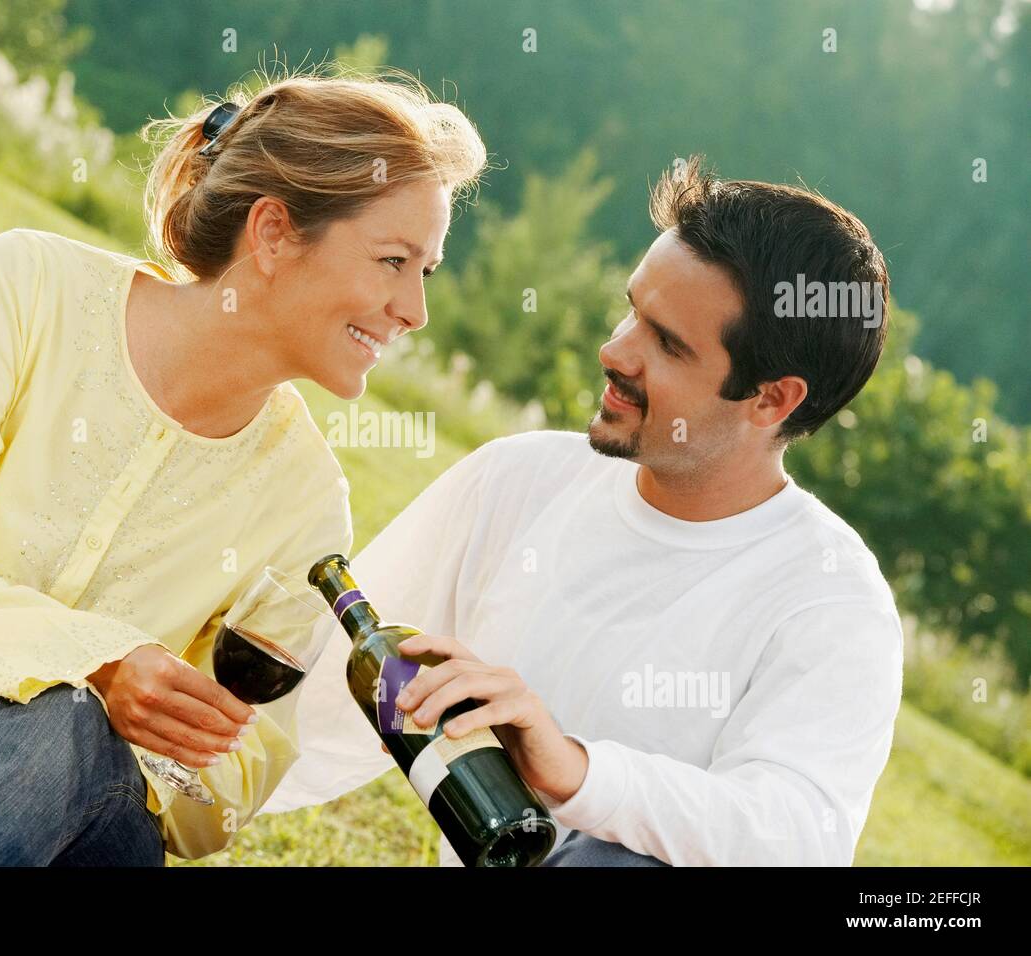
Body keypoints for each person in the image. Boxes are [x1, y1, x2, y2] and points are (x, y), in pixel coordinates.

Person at [0, 68, 487, 866]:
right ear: (272, 233)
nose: (415, 311)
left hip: (76, 833)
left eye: (425, 271)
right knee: (54, 725)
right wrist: (75, 669)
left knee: (62, 733)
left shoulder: (307, 504)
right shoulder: (26, 289)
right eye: (394, 260)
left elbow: (225, 790)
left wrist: (36, 711)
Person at [261, 155, 904, 867]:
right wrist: (167, 781)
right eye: (634, 310)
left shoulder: (832, 599)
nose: (614, 350)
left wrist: (576, 771)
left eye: (667, 343)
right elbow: (322, 706)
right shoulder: (521, 479)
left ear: (771, 400)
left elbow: (798, 837)